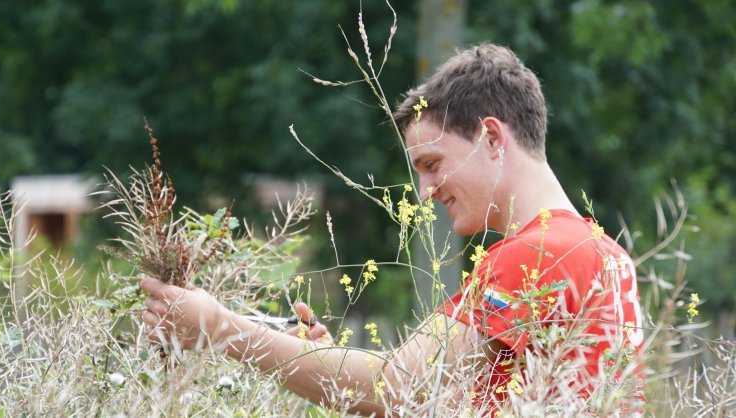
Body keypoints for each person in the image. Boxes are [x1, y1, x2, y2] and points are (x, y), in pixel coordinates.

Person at [140, 43, 644, 415]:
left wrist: (221, 329)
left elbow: (397, 387)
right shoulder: (605, 254)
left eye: (431, 162)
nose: (426, 191)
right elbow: (439, 398)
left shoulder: (534, 254)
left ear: (491, 137)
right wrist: (323, 360)